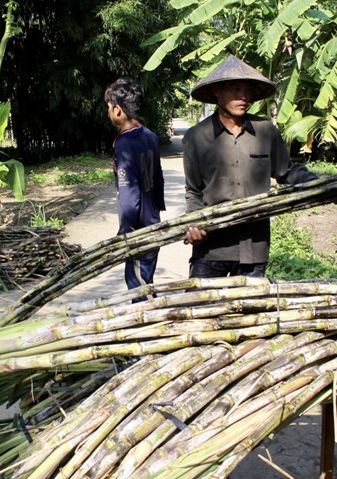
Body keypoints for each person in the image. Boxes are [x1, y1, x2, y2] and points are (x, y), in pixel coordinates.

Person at [182, 55, 317, 278]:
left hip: (254, 247)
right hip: (211, 250)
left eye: (247, 92)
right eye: (235, 89)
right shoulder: (196, 137)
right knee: (205, 312)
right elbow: (193, 191)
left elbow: (287, 171)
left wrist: (319, 184)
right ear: (217, 91)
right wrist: (194, 223)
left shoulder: (266, 131)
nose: (243, 97)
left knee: (250, 312)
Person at [104, 77, 165, 300]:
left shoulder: (124, 143)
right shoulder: (151, 136)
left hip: (138, 228)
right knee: (145, 279)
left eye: (109, 108)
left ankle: (150, 327)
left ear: (117, 109)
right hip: (153, 220)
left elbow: (129, 193)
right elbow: (158, 178)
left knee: (139, 286)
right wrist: (157, 209)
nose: (108, 112)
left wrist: (125, 229)